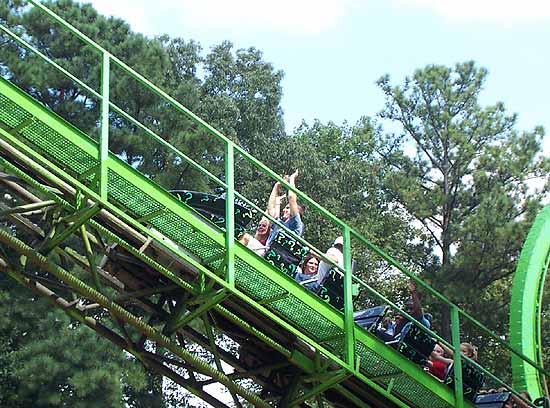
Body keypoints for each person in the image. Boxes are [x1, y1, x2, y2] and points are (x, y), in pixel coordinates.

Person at [266, 170, 304, 247]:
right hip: (267, 251)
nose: (284, 210)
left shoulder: (297, 224)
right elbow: (270, 208)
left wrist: (292, 178)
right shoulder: (279, 223)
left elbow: (291, 197)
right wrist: (277, 186)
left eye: (287, 208)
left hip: (280, 255)